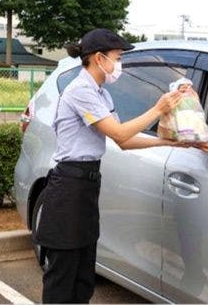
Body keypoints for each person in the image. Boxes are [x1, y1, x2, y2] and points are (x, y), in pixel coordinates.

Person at [34, 28, 187, 304]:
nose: (119, 65)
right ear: (98, 58)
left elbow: (125, 140)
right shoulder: (81, 90)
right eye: (117, 58)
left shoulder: (102, 95)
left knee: (83, 277)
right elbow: (117, 133)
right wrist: (158, 108)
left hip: (86, 187)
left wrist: (168, 143)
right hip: (68, 187)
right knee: (62, 278)